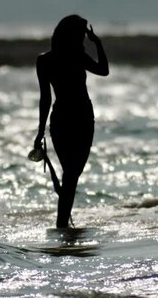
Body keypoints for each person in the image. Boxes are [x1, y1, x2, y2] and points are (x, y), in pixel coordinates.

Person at [34, 14, 109, 228]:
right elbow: (104, 70)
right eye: (81, 35)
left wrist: (40, 131)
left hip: (68, 119)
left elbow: (45, 99)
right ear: (72, 36)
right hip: (78, 118)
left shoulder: (46, 60)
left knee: (71, 174)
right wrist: (99, 44)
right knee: (71, 174)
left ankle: (62, 225)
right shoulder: (74, 57)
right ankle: (62, 225)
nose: (83, 40)